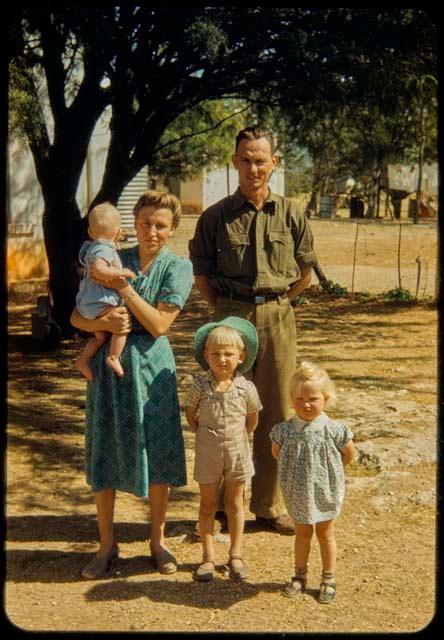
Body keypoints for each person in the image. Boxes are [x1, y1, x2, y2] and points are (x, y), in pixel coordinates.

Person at [188, 125, 318, 535]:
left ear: (274, 163)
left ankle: (267, 504)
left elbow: (305, 273)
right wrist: (227, 312)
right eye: (245, 159)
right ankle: (228, 508)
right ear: (234, 163)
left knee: (276, 409)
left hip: (279, 316)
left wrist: (276, 302)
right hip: (231, 319)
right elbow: (203, 277)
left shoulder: (293, 212)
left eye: (261, 159)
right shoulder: (215, 217)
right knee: (226, 410)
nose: (253, 167)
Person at [70, 190, 193, 579]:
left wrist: (124, 290)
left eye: (160, 225)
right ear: (132, 225)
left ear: (172, 229)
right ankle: (106, 545)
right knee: (104, 447)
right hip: (111, 371)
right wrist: (101, 324)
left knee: (156, 450)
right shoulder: (109, 257)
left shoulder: (178, 268)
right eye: (144, 223)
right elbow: (76, 315)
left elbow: (158, 324)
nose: (151, 231)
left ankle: (157, 541)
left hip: (152, 371)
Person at [270, 361, 355, 604]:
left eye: (313, 399)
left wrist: (334, 471)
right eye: (300, 399)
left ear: (325, 399)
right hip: (298, 493)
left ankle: (329, 578)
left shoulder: (334, 429)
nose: (306, 404)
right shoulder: (284, 430)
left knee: (326, 534)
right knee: (303, 533)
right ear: (291, 399)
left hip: (325, 491)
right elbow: (277, 452)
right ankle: (299, 575)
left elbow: (349, 453)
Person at [184, 317, 262, 582]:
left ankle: (236, 554)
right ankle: (207, 557)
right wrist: (208, 435)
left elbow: (252, 420)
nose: (222, 359)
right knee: (207, 504)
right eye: (215, 354)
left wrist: (237, 437)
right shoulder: (199, 387)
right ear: (206, 356)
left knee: (235, 502)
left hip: (238, 449)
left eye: (229, 354)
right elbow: (191, 416)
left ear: (240, 356)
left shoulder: (246, 388)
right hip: (208, 448)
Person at [75, 202, 136, 379]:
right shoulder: (104, 248)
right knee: (121, 323)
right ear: (118, 232)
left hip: (86, 304)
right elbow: (99, 270)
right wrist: (121, 272)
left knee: (100, 336)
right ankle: (113, 357)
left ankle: (83, 360)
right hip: (98, 302)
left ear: (90, 232)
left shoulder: (91, 246)